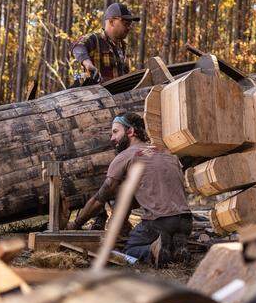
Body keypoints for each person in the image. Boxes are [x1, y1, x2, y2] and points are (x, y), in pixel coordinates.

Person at [68, 112, 192, 266]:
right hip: (186, 220)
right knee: (166, 234)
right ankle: (178, 247)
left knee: (130, 249)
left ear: (130, 132)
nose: (112, 138)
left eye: (115, 132)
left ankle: (153, 251)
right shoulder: (168, 153)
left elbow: (100, 199)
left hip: (159, 222)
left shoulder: (125, 156)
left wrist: (76, 223)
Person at [71, 2, 141, 86]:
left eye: (130, 24)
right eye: (125, 23)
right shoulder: (95, 39)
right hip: (93, 96)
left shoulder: (124, 48)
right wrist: (87, 64)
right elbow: (77, 46)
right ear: (111, 22)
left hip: (116, 97)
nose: (129, 27)